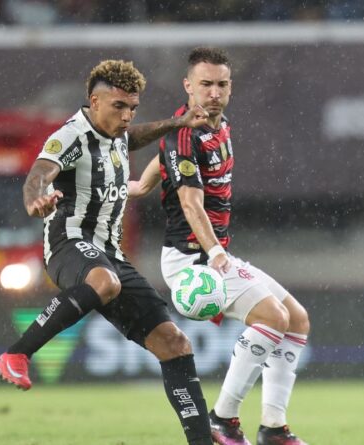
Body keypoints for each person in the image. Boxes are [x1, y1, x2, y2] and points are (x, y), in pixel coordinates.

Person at [0, 59, 214, 445]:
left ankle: (201, 441)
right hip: (68, 244)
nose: (127, 116)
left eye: (132, 108)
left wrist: (177, 123)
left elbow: (134, 137)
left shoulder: (115, 134)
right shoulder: (71, 136)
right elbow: (39, 173)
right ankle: (16, 354)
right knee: (104, 281)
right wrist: (36, 200)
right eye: (118, 107)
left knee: (174, 342)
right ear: (94, 101)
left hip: (110, 254)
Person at [129, 47, 310, 445]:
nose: (214, 92)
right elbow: (192, 204)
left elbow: (164, 162)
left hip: (212, 251)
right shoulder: (184, 134)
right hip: (192, 259)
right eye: (205, 84)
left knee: (296, 319)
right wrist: (216, 255)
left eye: (222, 84)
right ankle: (222, 420)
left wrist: (140, 185)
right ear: (188, 86)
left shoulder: (217, 123)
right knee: (272, 318)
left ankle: (274, 428)